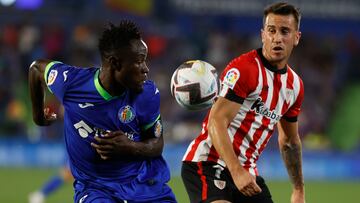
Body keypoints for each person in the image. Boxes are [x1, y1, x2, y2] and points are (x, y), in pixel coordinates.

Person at [29, 20, 176, 203]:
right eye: (139, 61)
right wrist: (38, 116)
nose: (146, 69)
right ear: (115, 63)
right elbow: (36, 68)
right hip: (95, 188)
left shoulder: (147, 94)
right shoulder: (72, 83)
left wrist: (129, 147)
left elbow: (156, 144)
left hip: (143, 185)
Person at [181, 2, 305, 203]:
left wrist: (298, 189)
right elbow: (216, 121)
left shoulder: (295, 87)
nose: (277, 38)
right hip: (208, 164)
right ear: (263, 35)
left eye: (285, 32)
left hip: (246, 172)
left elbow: (290, 142)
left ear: (296, 38)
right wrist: (236, 171)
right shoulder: (243, 69)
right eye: (272, 31)